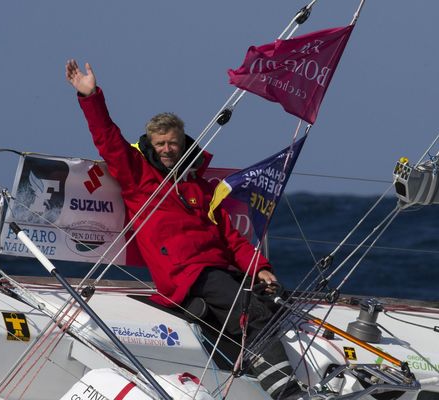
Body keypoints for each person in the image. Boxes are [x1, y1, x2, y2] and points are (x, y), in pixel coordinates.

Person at [65, 59, 302, 399]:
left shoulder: (200, 189)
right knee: (251, 312)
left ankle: (251, 364)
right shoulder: (137, 177)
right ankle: (288, 394)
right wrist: (90, 96)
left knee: (275, 305)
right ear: (150, 144)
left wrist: (261, 269)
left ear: (183, 142)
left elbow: (231, 239)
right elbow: (107, 138)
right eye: (160, 144)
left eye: (172, 143)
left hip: (220, 271)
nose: (166, 150)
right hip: (186, 274)